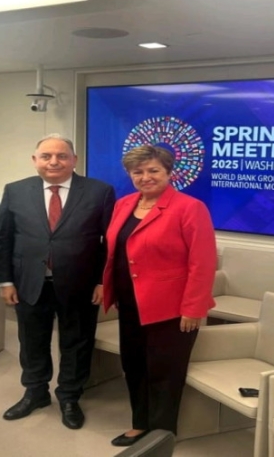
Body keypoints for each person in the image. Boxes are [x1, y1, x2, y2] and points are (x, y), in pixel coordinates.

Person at [0, 134, 115, 430]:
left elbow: (110, 242)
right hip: (28, 282)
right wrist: (5, 281)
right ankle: (35, 392)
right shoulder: (15, 190)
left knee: (77, 342)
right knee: (31, 341)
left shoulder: (99, 191)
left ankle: (70, 397)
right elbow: (4, 239)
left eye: (62, 156)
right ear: (34, 160)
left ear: (74, 160)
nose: (54, 162)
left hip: (81, 284)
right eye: (46, 156)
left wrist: (103, 281)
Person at [102, 145, 217, 446]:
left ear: (168, 172)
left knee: (165, 373)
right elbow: (116, 252)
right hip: (130, 304)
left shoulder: (189, 207)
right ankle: (140, 423)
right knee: (134, 366)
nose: (145, 177)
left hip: (172, 309)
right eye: (137, 171)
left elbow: (202, 262)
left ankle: (161, 435)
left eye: (153, 170)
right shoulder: (123, 204)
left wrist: (193, 308)